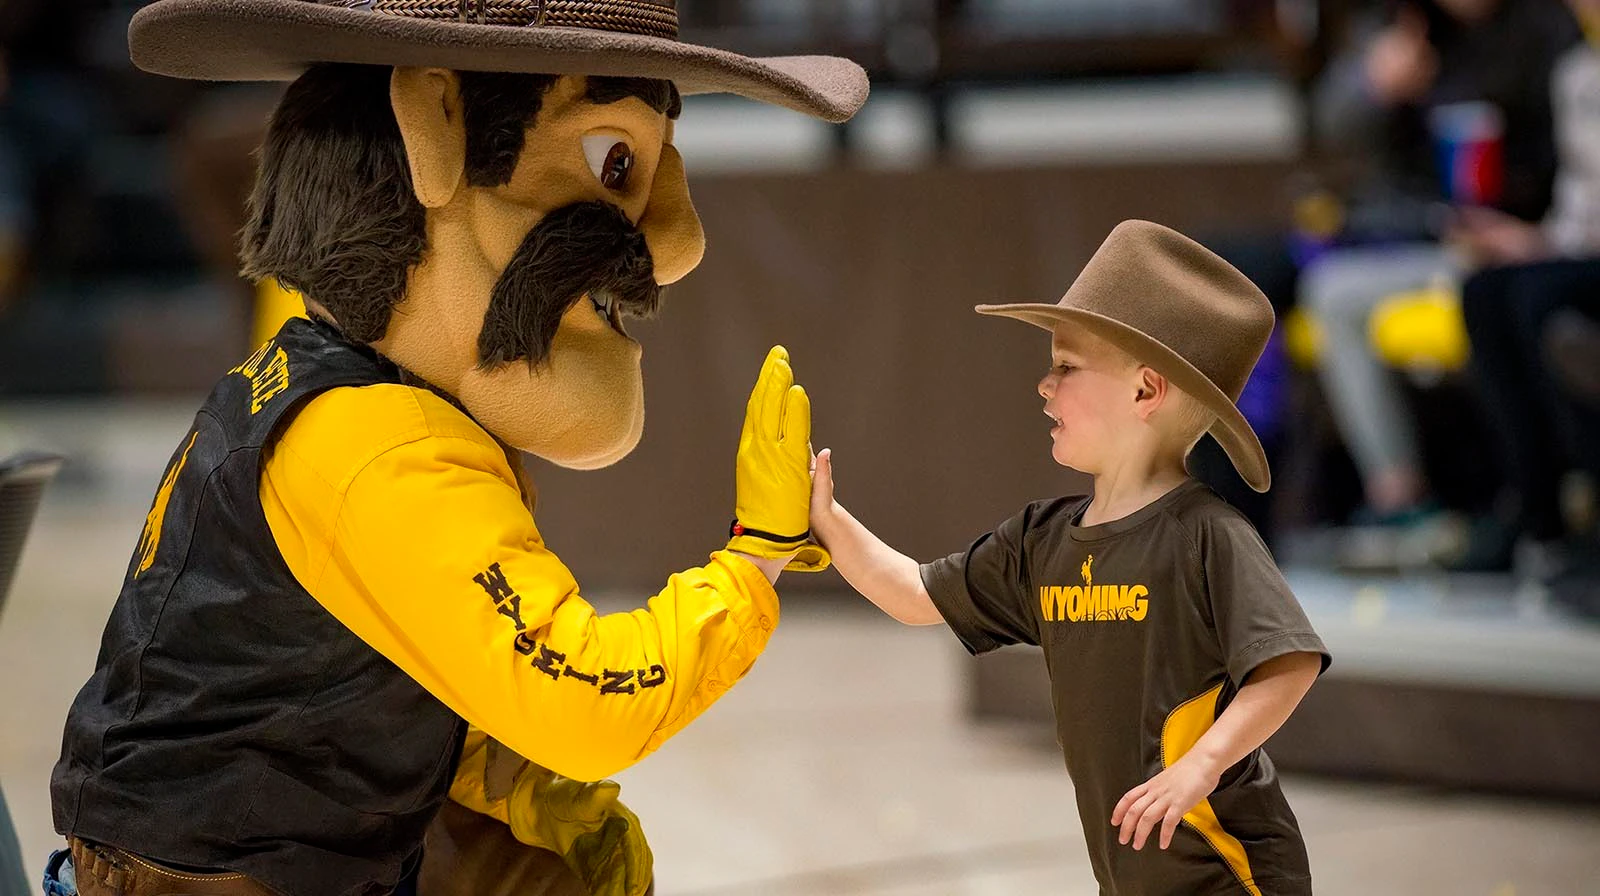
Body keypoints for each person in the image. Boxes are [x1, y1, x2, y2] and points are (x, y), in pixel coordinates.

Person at [46, 1, 866, 894]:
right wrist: (756, 559)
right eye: (613, 160)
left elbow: (333, 675)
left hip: (233, 853)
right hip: (220, 878)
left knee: (525, 865)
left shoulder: (315, 382)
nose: (676, 244)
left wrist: (507, 781)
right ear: (433, 130)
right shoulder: (376, 446)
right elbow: (583, 702)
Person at [810, 220, 1331, 894]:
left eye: (1066, 366)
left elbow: (1287, 665)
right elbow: (913, 593)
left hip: (1231, 874)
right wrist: (823, 516)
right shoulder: (1041, 541)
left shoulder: (1207, 535)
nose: (1043, 385)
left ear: (1146, 392)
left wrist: (1202, 766)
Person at [1298, 0, 1579, 556]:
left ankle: (1538, 504)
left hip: (1538, 235)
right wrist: (1372, 86)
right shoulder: (1412, 27)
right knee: (1330, 292)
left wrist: (1531, 231)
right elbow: (1330, 127)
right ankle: (1400, 499)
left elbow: (1572, 154)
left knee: (1497, 299)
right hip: (1438, 239)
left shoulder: (1549, 29)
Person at [1447, 0, 1600, 584]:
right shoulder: (1577, 73)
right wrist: (1528, 241)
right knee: (1485, 292)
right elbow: (1579, 204)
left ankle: (1587, 504)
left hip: (1584, 258)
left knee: (1535, 301)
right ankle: (1537, 511)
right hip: (1577, 248)